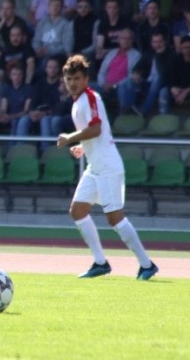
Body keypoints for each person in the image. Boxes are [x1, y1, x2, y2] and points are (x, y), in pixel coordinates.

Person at [57, 54, 158, 281]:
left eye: (76, 78)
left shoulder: (91, 97)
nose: (72, 83)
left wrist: (70, 138)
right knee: (77, 211)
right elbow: (94, 134)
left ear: (85, 79)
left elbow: (96, 129)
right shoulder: (78, 103)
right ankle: (100, 263)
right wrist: (82, 147)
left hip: (108, 167)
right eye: (69, 79)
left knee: (114, 218)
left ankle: (147, 264)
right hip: (95, 167)